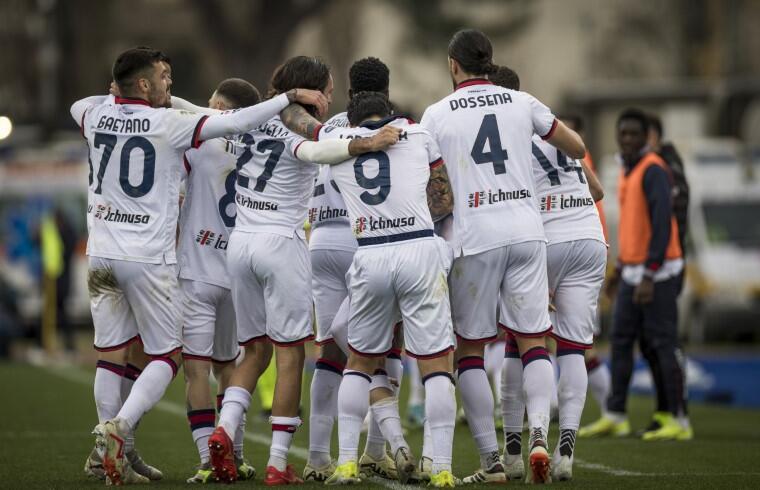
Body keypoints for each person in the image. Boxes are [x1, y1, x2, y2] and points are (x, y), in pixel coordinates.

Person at [70, 46, 328, 485]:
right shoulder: (200, 132)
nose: (172, 85)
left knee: (140, 360)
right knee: (235, 360)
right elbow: (242, 126)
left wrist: (121, 96)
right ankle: (223, 450)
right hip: (224, 264)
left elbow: (81, 105)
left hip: (161, 262)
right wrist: (287, 102)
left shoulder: (104, 116)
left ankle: (152, 452)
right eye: (163, 75)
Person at [206, 56, 401, 485]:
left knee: (253, 352)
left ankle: (223, 428)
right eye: (327, 91)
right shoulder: (299, 127)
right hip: (283, 243)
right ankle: (278, 463)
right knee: (291, 354)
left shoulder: (247, 119)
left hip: (239, 244)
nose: (330, 99)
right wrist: (363, 144)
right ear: (313, 91)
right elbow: (314, 149)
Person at [312, 91, 457, 487]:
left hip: (371, 253)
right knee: (436, 365)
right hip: (418, 248)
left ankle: (345, 464)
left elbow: (317, 158)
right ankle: (441, 467)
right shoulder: (418, 134)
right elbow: (443, 198)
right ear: (388, 113)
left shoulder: (336, 148)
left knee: (358, 364)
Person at [490, 66, 606, 482]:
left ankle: (519, 448)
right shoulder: (547, 125)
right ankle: (566, 451)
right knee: (574, 347)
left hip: (545, 238)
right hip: (590, 237)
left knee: (521, 342)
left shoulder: (503, 135)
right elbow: (597, 191)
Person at [297, 56, 403, 482]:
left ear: (347, 90)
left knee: (330, 352)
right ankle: (378, 449)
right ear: (387, 89)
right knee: (382, 349)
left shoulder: (330, 126)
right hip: (368, 241)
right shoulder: (398, 128)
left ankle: (317, 456)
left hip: (321, 239)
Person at [580, 108, 687, 442]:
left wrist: (650, 273)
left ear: (646, 138)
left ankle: (675, 418)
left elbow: (660, 226)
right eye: (622, 133)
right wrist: (623, 267)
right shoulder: (628, 168)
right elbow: (633, 227)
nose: (627, 139)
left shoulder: (654, 169)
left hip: (658, 271)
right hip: (632, 270)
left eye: (633, 134)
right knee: (622, 342)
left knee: (661, 344)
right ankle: (616, 414)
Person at [177, 78, 261, 483]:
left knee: (196, 370)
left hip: (196, 267)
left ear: (216, 104)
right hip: (238, 270)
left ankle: (206, 459)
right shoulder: (258, 143)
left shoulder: (202, 137)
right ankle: (237, 453)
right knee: (230, 368)